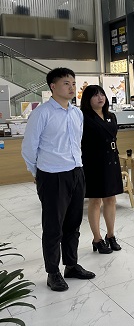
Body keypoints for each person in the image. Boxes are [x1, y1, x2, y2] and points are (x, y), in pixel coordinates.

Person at [21, 68, 95, 292]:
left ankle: (71, 265)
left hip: (76, 172)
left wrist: (78, 169)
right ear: (53, 86)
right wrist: (37, 173)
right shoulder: (41, 113)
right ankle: (52, 272)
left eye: (73, 83)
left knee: (73, 223)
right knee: (54, 226)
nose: (72, 87)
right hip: (52, 175)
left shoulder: (77, 113)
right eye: (66, 83)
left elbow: (77, 144)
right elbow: (29, 148)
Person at [80, 85, 124, 254]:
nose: (100, 98)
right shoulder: (83, 117)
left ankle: (110, 235)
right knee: (95, 200)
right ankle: (97, 238)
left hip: (111, 160)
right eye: (95, 95)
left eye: (102, 94)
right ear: (87, 99)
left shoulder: (111, 116)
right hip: (93, 162)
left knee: (111, 199)